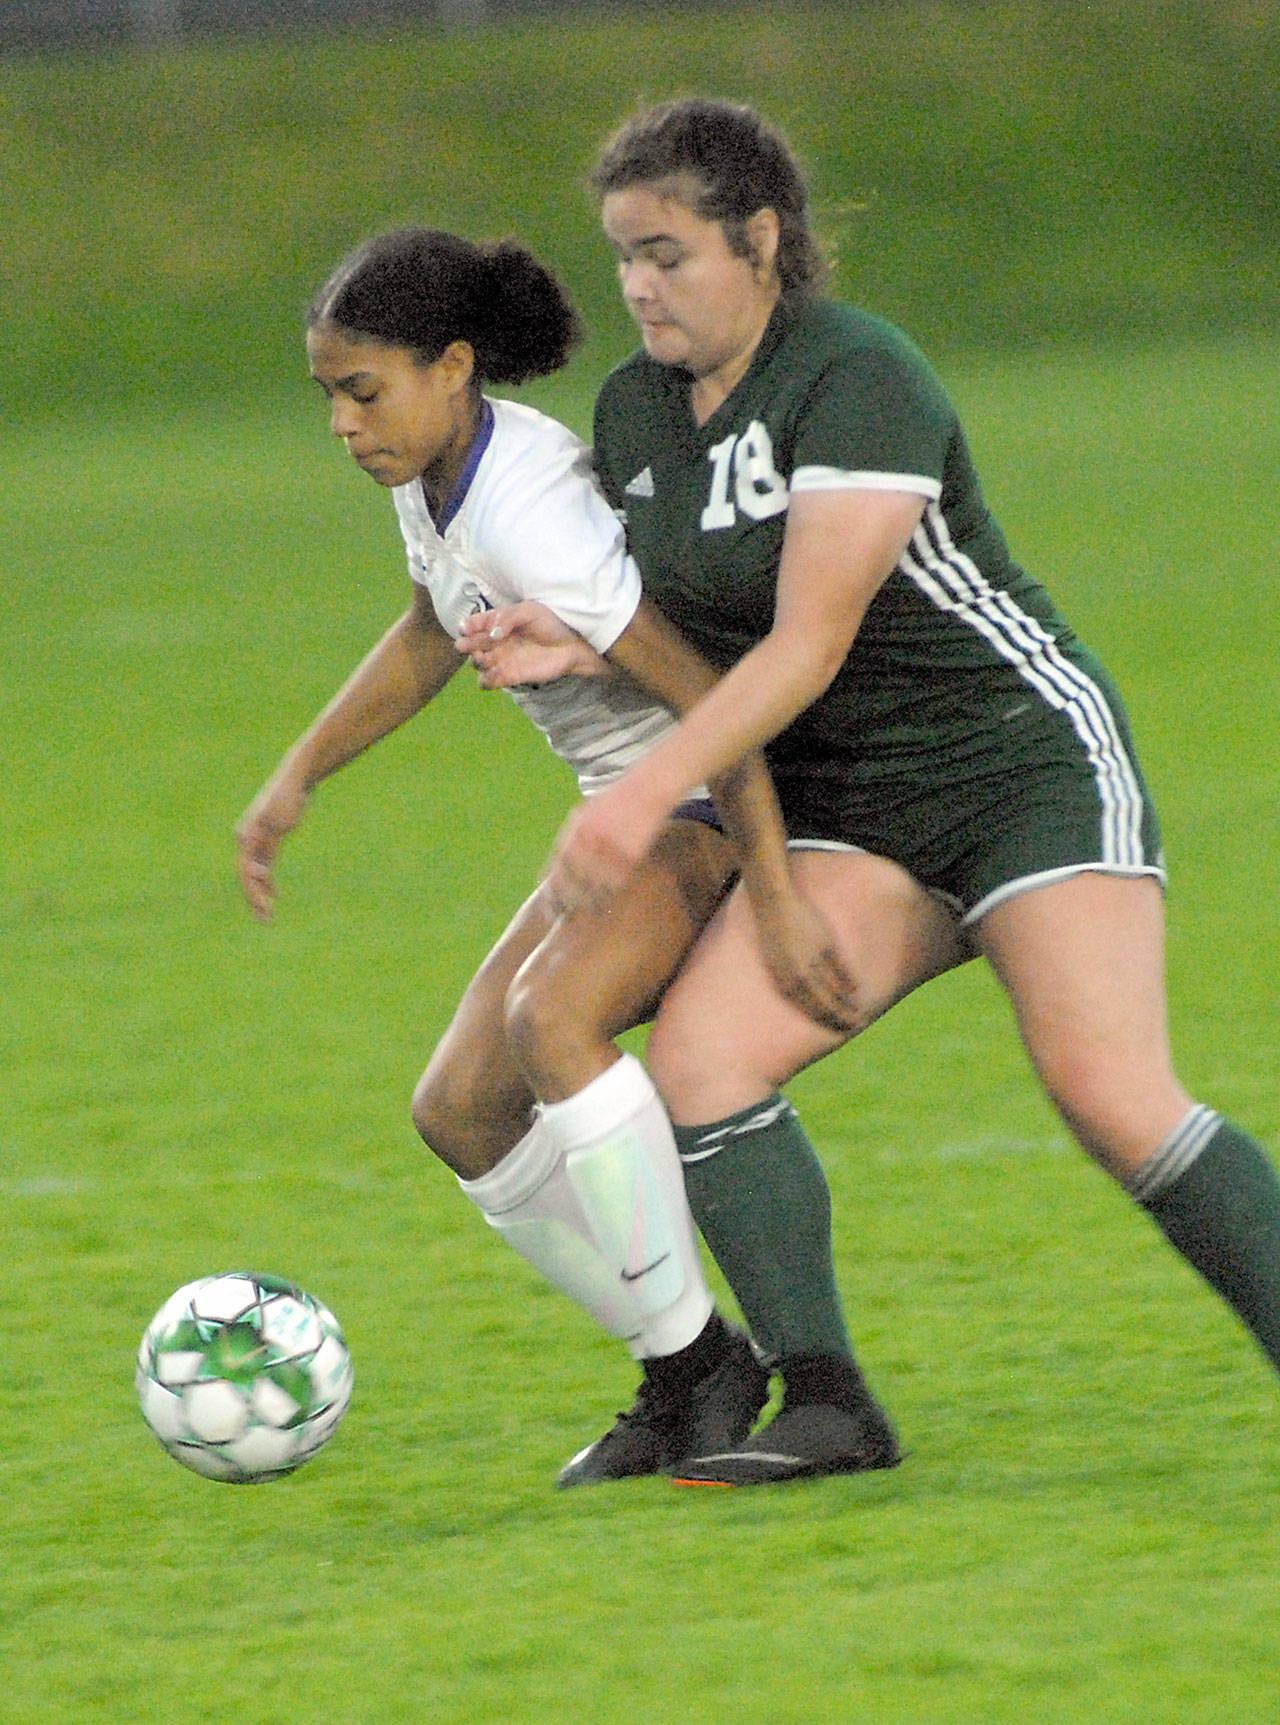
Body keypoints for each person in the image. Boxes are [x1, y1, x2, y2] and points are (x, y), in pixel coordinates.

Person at [462, 97, 1280, 1487]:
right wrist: (571, 635)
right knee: (707, 1066)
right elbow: (687, 618)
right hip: (852, 810)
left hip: (1016, 765)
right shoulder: (636, 410)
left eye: (667, 253)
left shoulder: (855, 374)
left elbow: (809, 637)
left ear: (761, 238)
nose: (641, 287)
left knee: (1107, 1088)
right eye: (623, 257)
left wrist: (639, 790)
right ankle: (832, 1403)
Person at [235, 225, 881, 1489]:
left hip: (698, 794)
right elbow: (433, 624)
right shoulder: (435, 480)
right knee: (459, 1109)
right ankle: (688, 1365)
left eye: (362, 391)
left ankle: (698, 1363)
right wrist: (297, 775)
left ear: (454, 367)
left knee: (556, 1023)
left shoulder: (534, 518)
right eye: (328, 397)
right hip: (626, 805)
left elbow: (715, 700)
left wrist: (774, 883)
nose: (342, 424)